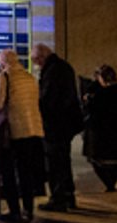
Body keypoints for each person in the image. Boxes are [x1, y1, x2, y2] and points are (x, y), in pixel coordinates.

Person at [0, 49, 44, 222]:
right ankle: (28, 208)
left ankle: (14, 211)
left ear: (3, 62)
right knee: (26, 172)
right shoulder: (29, 77)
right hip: (32, 128)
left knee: (8, 172)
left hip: (12, 130)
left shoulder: (4, 77)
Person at [35, 43, 84, 211]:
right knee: (63, 160)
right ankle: (68, 196)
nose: (37, 65)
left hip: (55, 124)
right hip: (66, 123)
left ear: (43, 57)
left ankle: (58, 198)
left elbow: (49, 99)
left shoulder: (52, 71)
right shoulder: (63, 67)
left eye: (37, 61)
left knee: (55, 162)